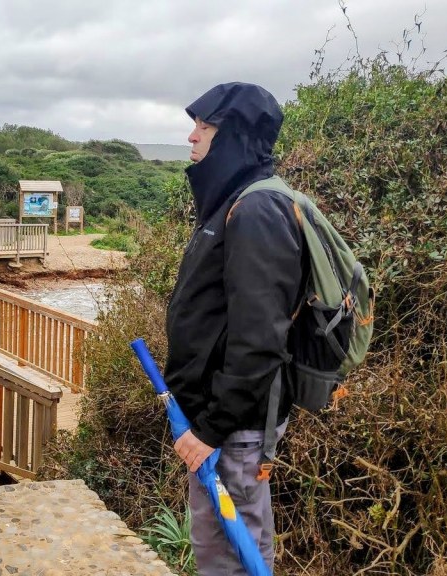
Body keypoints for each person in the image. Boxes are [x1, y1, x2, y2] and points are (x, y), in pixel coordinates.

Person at [163, 82, 305, 574]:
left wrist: (210, 428)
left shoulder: (256, 211)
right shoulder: (233, 202)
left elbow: (260, 340)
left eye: (204, 127)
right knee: (222, 539)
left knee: (232, 547)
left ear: (234, 137)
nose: (191, 137)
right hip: (221, 421)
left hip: (235, 429)